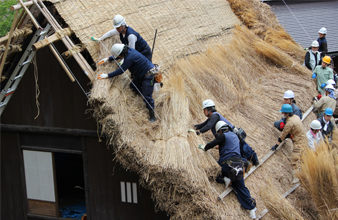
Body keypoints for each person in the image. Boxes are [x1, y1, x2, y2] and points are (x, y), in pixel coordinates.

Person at [199, 121, 257, 219]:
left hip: (226, 163)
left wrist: (205, 147)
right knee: (240, 186)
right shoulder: (235, 137)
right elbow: (225, 147)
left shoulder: (223, 136)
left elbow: (214, 143)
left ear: (221, 130)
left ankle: (225, 179)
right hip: (238, 164)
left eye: (219, 132)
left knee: (213, 172)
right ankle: (252, 209)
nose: (219, 134)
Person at [97, 43, 157, 122]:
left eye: (118, 56)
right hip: (141, 73)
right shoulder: (128, 50)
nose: (118, 57)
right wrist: (109, 59)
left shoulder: (129, 58)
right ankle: (144, 91)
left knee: (147, 97)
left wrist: (107, 75)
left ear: (122, 53)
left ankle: (152, 116)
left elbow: (120, 71)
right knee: (133, 86)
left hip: (148, 75)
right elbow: (119, 55)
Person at [193, 100, 259, 165]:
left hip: (232, 134)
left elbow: (208, 126)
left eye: (204, 110)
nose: (203, 112)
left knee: (243, 148)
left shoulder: (215, 116)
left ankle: (254, 159)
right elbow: (202, 125)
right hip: (227, 138)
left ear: (208, 109)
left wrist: (199, 132)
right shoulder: (211, 118)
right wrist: (192, 127)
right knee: (235, 151)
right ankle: (246, 163)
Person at [271, 104, 307, 184]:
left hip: (299, 142)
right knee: (302, 158)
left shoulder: (290, 123)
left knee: (294, 159)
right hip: (303, 139)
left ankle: (296, 178)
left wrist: (276, 145)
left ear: (287, 113)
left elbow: (283, 134)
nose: (282, 114)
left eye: (283, 113)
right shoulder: (295, 117)